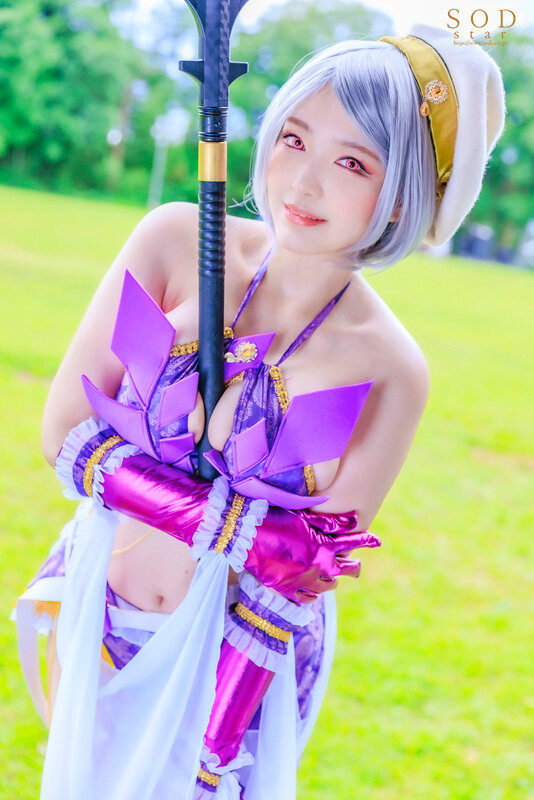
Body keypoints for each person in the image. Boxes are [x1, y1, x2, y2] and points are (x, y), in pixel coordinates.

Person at [12, 23, 505, 800]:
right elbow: (63, 430)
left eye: (351, 162)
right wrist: (233, 524)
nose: (302, 183)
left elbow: (306, 568)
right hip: (101, 613)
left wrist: (217, 744)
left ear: (403, 194)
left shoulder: (392, 367)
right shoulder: (175, 240)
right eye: (294, 139)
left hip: (239, 661)